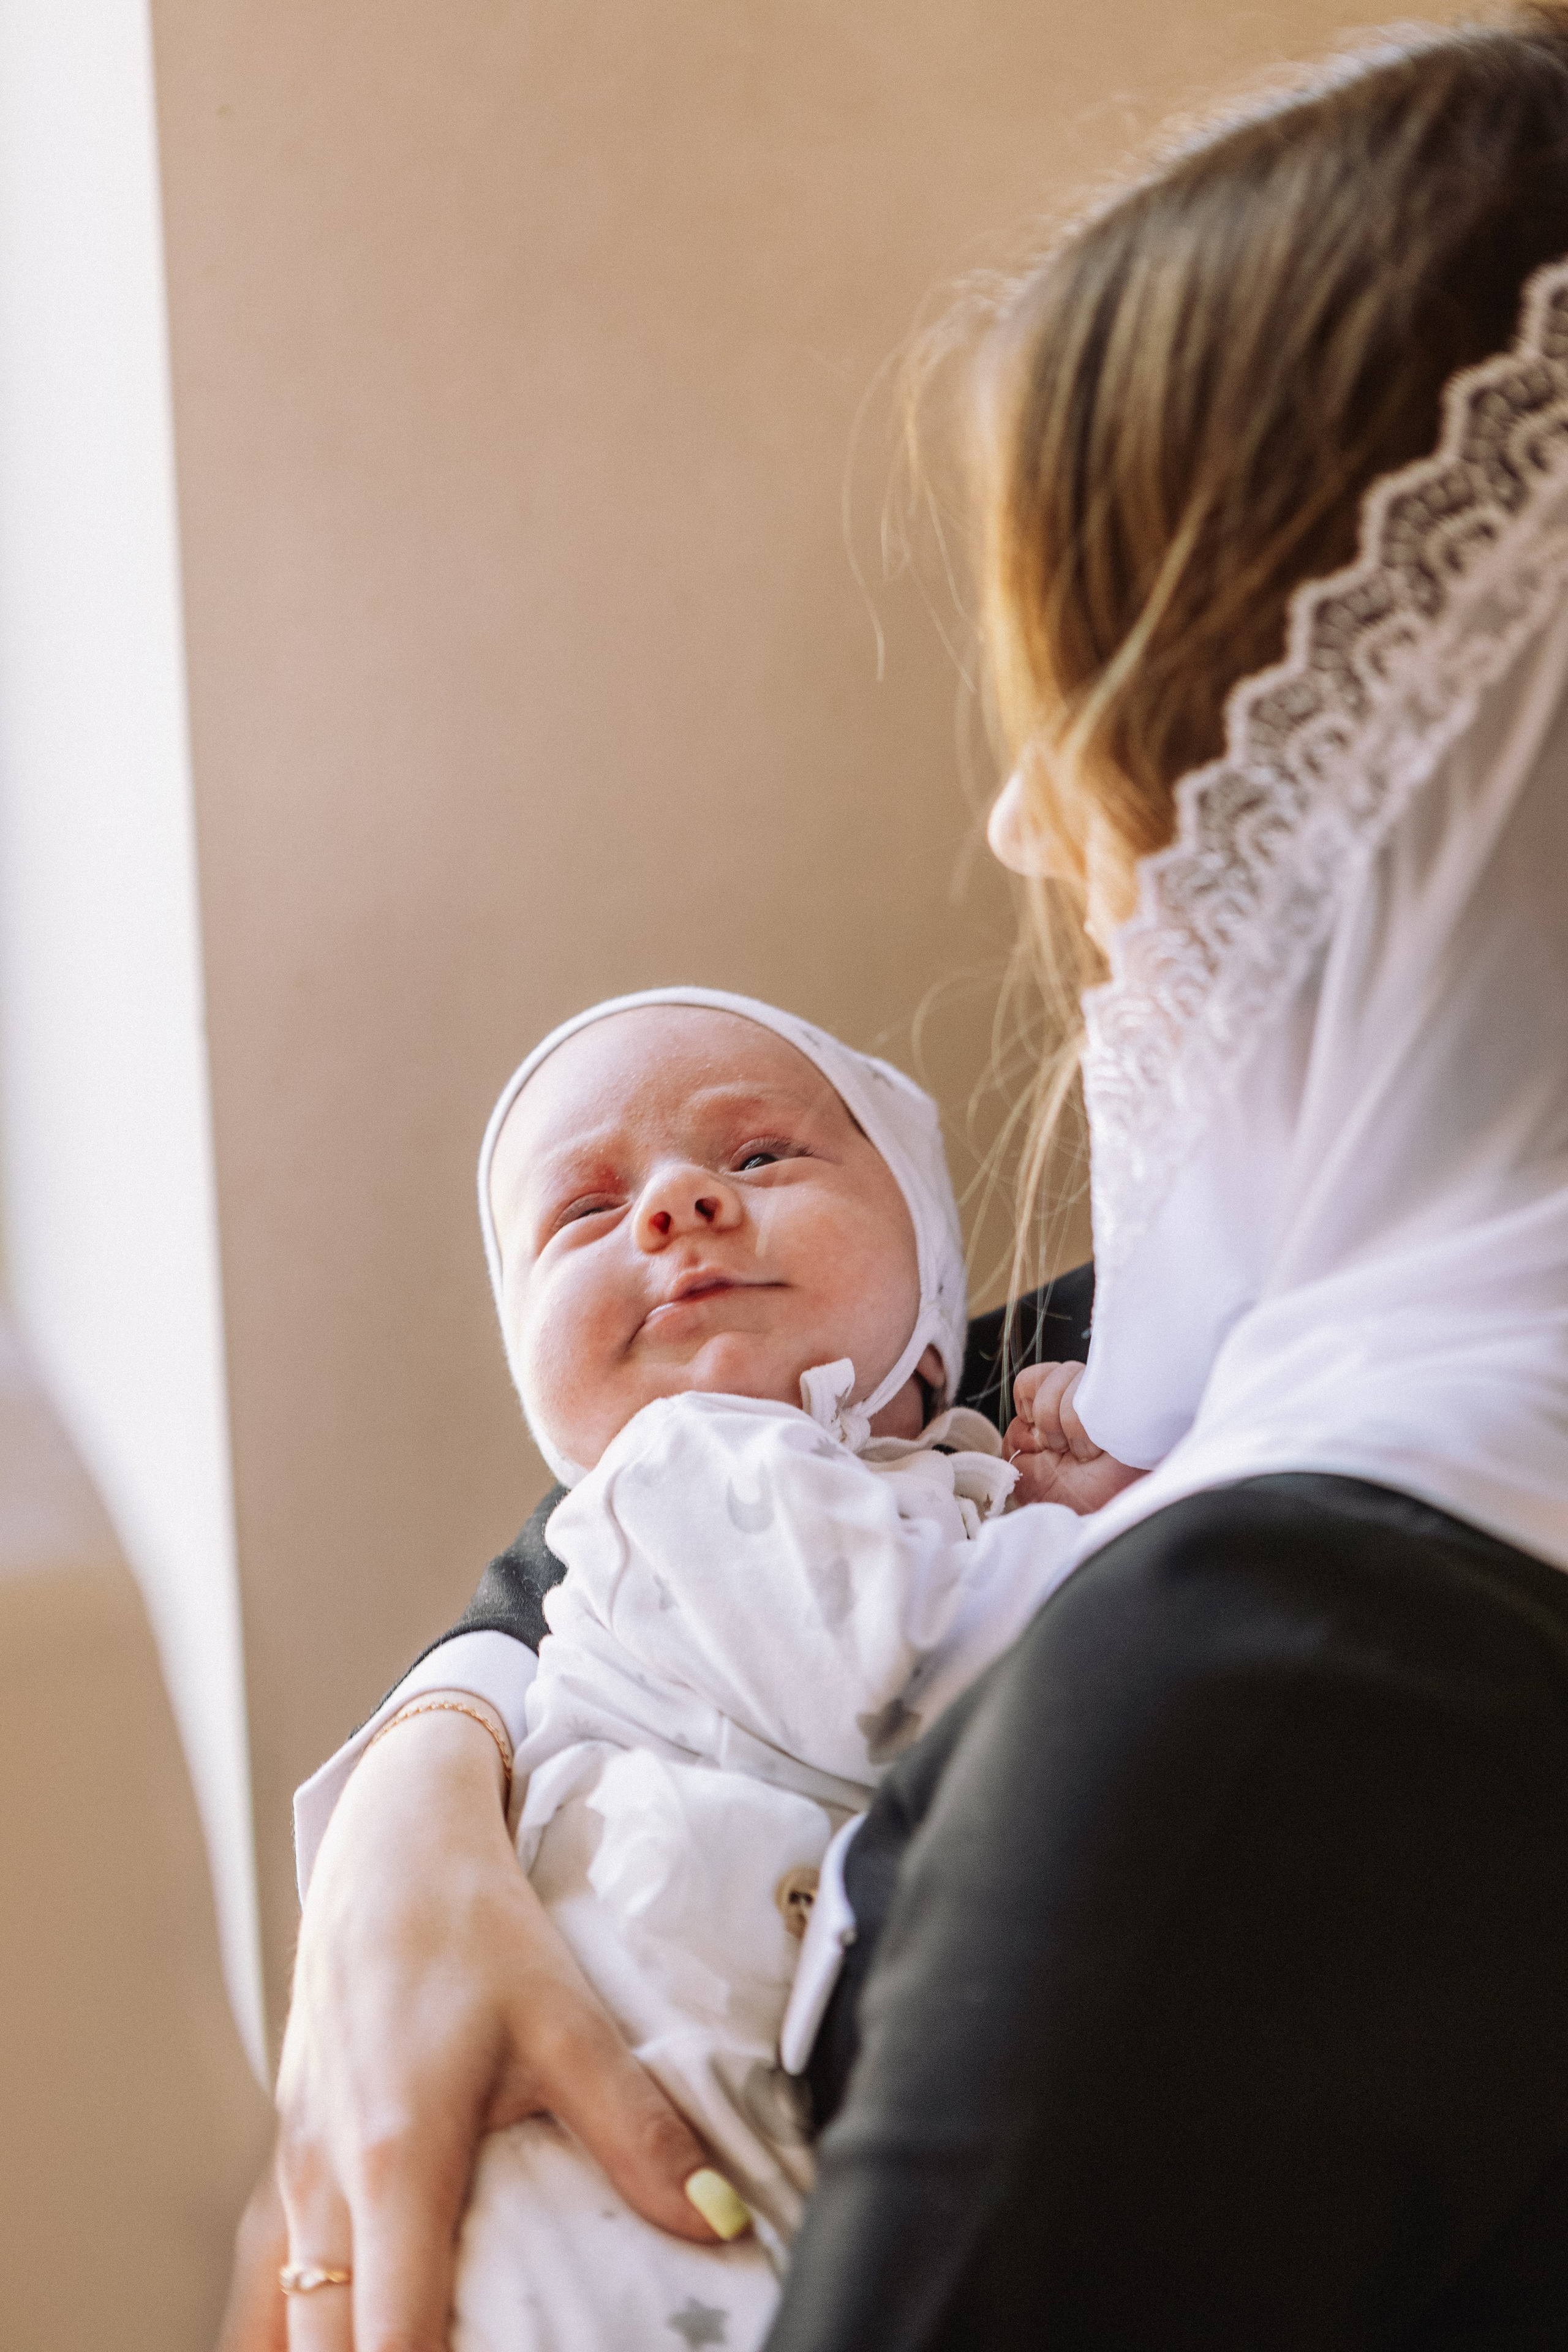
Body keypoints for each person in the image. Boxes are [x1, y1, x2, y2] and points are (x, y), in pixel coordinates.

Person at [228, 13, 1568, 2347]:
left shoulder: (1242, 1698)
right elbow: (659, 1488)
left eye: (1091, 719)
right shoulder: (1288, 1333)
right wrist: (427, 1796)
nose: (1019, 828)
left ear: (1355, 778)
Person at [432, 986, 1127, 2352]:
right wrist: (1128, 1521)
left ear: (933, 1290)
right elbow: (945, 1681)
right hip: (601, 2197)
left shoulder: (911, 1484)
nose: (676, 1205)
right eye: (581, 1212)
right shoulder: (682, 1477)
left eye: (756, 1158)